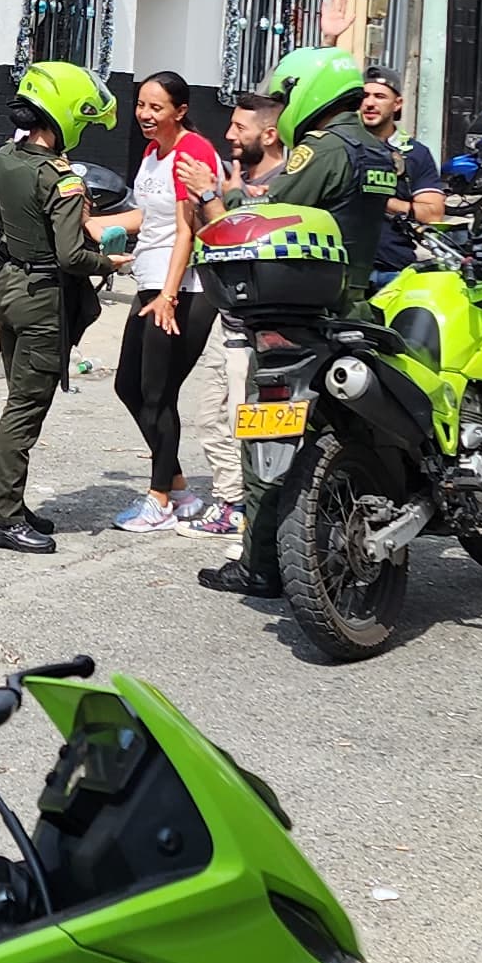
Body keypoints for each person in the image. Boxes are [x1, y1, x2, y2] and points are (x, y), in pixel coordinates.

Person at [203, 47, 373, 602]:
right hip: (357, 306)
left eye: (286, 96)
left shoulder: (322, 150)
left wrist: (222, 194)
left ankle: (260, 565)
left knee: (267, 439)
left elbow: (268, 210)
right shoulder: (378, 149)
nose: (284, 106)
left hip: (299, 313)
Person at [0, 60, 120, 552]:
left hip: (8, 288)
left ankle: (10, 504)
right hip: (42, 300)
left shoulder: (4, 158)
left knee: (16, 399)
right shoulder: (62, 180)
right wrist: (113, 262)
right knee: (24, 409)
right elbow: (72, 255)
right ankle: (0, 519)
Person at [113, 70, 227, 534]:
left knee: (159, 395)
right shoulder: (152, 151)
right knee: (128, 386)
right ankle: (177, 483)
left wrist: (169, 294)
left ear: (180, 111)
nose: (144, 114)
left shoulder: (192, 152)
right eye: (141, 104)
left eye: (156, 107)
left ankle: (160, 499)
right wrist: (96, 224)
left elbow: (188, 229)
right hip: (150, 281)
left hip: (185, 289)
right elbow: (151, 215)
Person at [193, 95, 281, 534]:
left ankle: (246, 511)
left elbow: (227, 238)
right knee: (211, 417)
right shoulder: (238, 177)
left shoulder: (287, 184)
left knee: (243, 422)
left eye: (239, 128)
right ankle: (231, 501)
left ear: (268, 135)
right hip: (225, 318)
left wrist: (211, 195)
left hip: (258, 328)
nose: (229, 135)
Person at [357, 68, 445, 275]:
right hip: (340, 266)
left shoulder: (416, 153)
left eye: (380, 97)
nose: (370, 103)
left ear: (397, 104)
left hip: (392, 269)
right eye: (364, 96)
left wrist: (379, 200)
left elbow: (433, 214)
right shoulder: (339, 145)